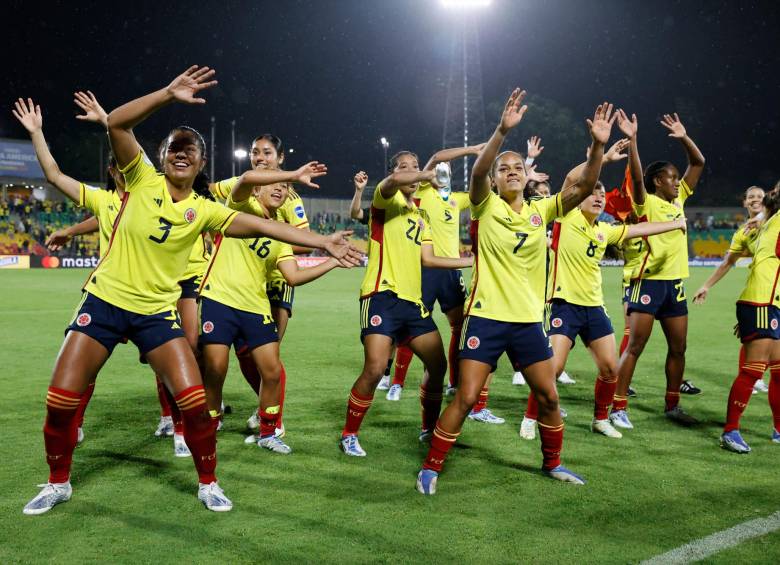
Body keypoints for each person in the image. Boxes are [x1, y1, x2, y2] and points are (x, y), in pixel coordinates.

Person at [16, 66, 359, 515]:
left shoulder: (205, 208)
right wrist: (167, 94)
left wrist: (322, 242)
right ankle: (57, 482)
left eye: (191, 150)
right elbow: (118, 123)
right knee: (60, 400)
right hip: (104, 302)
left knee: (195, 405)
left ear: (200, 164)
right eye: (174, 147)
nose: (182, 153)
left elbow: (259, 224)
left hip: (158, 313)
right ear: (160, 157)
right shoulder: (138, 179)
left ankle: (208, 482)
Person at [416, 91, 618, 495]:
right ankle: (431, 467)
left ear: (527, 176)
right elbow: (476, 174)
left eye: (517, 167)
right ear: (494, 179)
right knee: (468, 396)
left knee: (548, 396)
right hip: (486, 318)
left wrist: (597, 146)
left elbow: (587, 184)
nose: (511, 171)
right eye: (503, 168)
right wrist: (501, 131)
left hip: (527, 322)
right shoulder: (485, 205)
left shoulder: (542, 211)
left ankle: (553, 464)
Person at [519, 180, 686, 440]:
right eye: (591, 193)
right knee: (555, 368)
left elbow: (639, 228)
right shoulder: (566, 216)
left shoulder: (605, 230)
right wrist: (600, 155)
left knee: (610, 368)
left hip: (595, 307)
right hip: (564, 305)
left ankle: (600, 419)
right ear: (578, 198)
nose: (598, 197)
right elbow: (571, 185)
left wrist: (676, 223)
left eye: (600, 194)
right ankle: (531, 417)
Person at [200, 167, 346, 455]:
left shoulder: (281, 232)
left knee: (272, 372)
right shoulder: (241, 205)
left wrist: (332, 261)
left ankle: (268, 431)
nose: (280, 189)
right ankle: (211, 423)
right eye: (274, 184)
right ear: (259, 189)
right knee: (215, 370)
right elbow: (244, 180)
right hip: (219, 300)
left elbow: (292, 276)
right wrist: (291, 175)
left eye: (284, 186)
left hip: (255, 306)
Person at [339, 151, 473, 457]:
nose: (410, 171)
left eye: (415, 166)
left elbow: (428, 258)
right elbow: (392, 182)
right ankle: (349, 434)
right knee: (374, 369)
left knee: (438, 365)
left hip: (413, 303)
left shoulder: (421, 215)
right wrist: (426, 175)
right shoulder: (385, 202)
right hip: (381, 296)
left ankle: (427, 429)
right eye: (405, 167)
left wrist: (467, 261)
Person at [609, 110, 705, 430]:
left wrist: (684, 136)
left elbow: (699, 163)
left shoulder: (680, 199)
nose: (677, 182)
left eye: (678, 178)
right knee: (636, 345)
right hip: (647, 282)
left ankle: (672, 405)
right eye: (671, 178)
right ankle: (618, 407)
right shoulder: (645, 202)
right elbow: (636, 178)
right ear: (656, 181)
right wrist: (634, 140)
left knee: (679, 348)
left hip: (674, 283)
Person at [215, 134, 313, 437]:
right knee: (240, 352)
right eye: (255, 152)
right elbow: (207, 191)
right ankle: (227, 407)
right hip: (241, 280)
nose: (260, 157)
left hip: (276, 282)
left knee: (267, 353)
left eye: (267, 153)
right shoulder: (241, 184)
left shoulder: (289, 196)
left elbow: (304, 242)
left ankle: (272, 416)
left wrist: (273, 240)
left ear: (280, 158)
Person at [720, 183, 780, 452]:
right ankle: (730, 431)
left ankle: (779, 429)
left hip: (773, 301)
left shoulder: (768, 220)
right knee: (754, 369)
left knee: (778, 373)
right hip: (761, 301)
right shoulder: (771, 219)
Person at [693, 186, 769, 394]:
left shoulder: (774, 219)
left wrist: (763, 215)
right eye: (750, 197)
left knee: (766, 336)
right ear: (744, 203)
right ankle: (753, 377)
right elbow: (727, 262)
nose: (755, 199)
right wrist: (706, 285)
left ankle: (755, 376)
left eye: (760, 197)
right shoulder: (743, 232)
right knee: (756, 334)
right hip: (766, 287)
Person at [350, 171, 397, 391]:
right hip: (379, 284)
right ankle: (383, 373)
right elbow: (355, 212)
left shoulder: (414, 211)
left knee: (398, 337)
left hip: (407, 283)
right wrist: (359, 191)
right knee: (376, 338)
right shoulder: (377, 211)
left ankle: (389, 375)